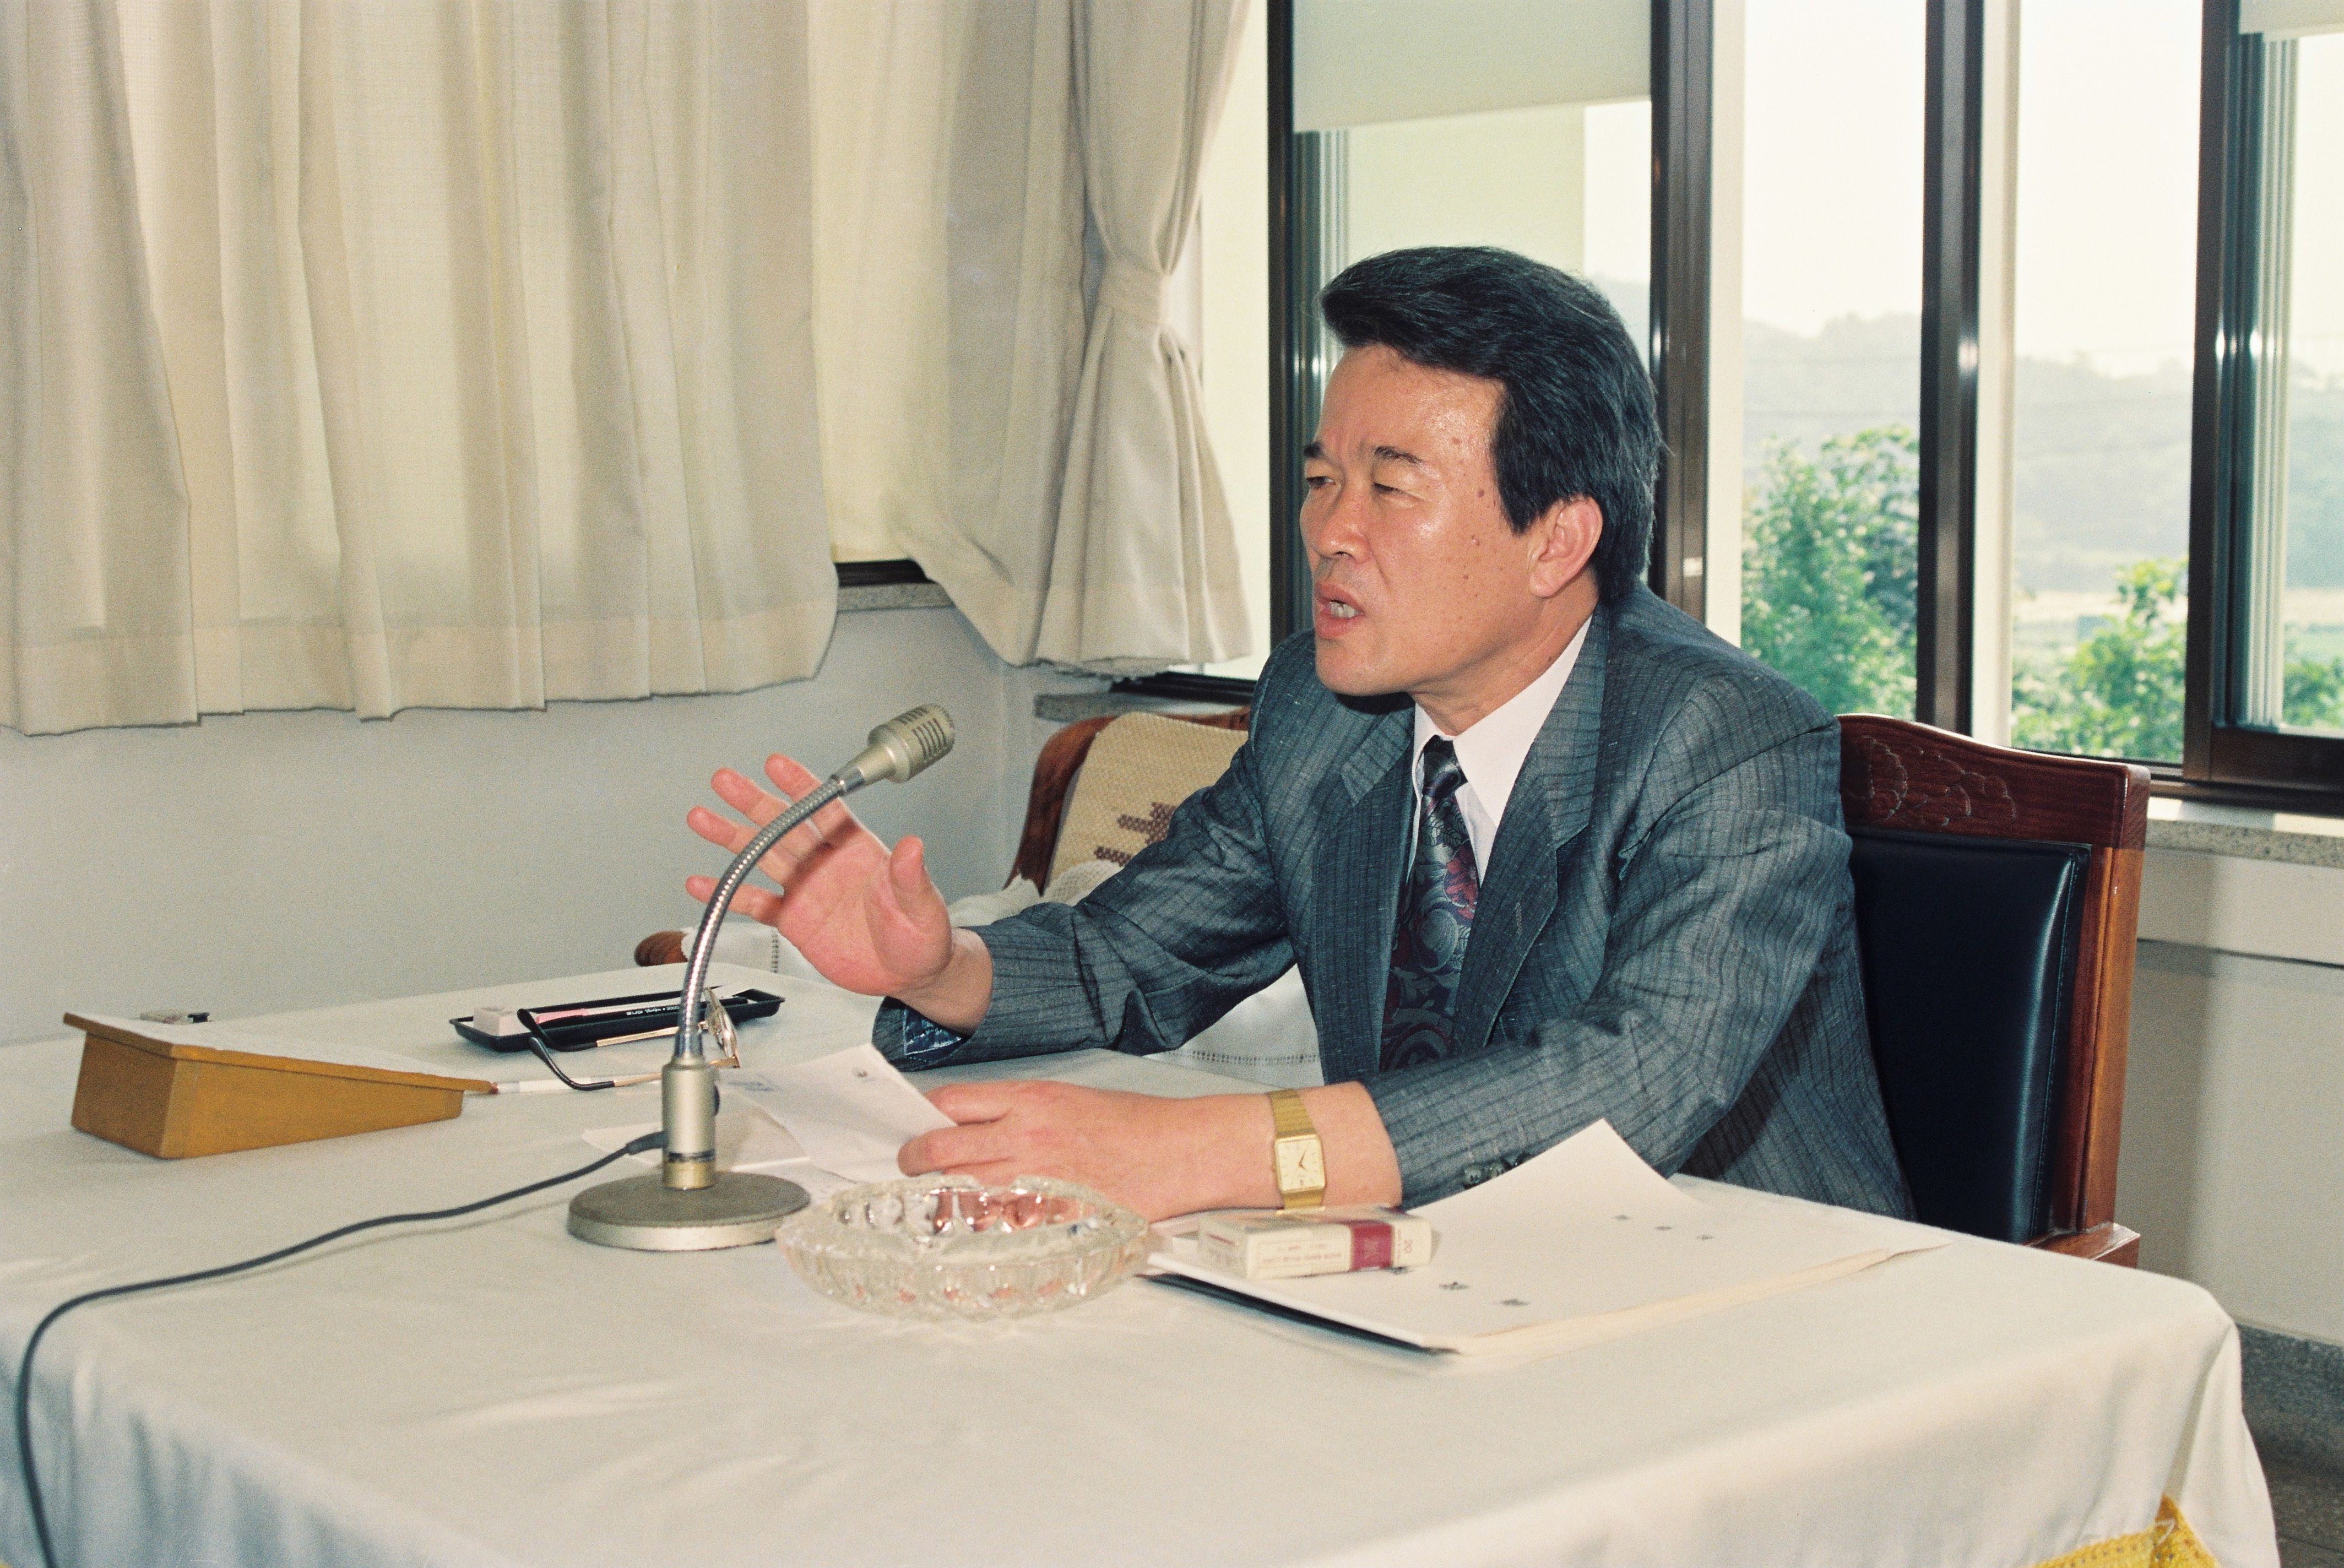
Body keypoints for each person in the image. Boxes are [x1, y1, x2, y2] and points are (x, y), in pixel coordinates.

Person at [686, 246, 1911, 1224]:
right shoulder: (1323, 714)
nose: (1330, 531)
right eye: (1323, 479)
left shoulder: (1729, 740)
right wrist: (939, 966)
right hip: (1438, 1272)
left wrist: (1209, 1148)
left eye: (1392, 487)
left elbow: (1634, 1078)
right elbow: (1130, 959)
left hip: (1755, 1290)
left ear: (1557, 539)